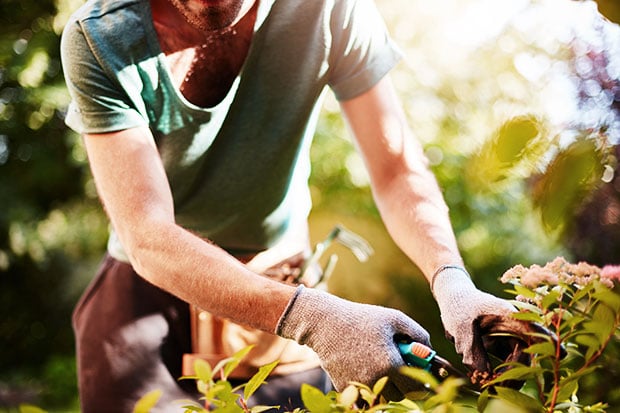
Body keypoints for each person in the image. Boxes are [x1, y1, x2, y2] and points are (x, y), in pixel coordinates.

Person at [60, 0, 522, 411]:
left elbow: (396, 168)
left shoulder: (330, 10)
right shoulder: (100, 37)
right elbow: (147, 236)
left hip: (278, 279)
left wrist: (451, 281)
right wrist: (313, 318)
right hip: (145, 298)